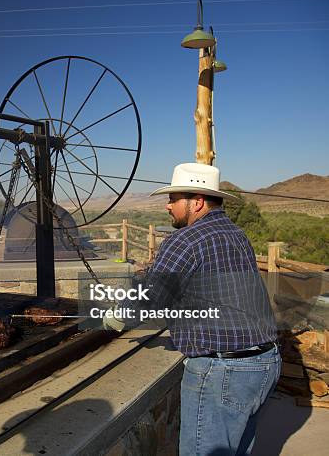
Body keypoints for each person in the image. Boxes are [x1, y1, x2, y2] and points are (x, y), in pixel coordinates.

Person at [105, 163, 280, 456]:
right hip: (265, 362)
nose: (167, 205)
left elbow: (153, 295)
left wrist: (116, 315)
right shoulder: (237, 235)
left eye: (174, 199)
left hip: (223, 371)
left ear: (197, 201)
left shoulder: (184, 239)